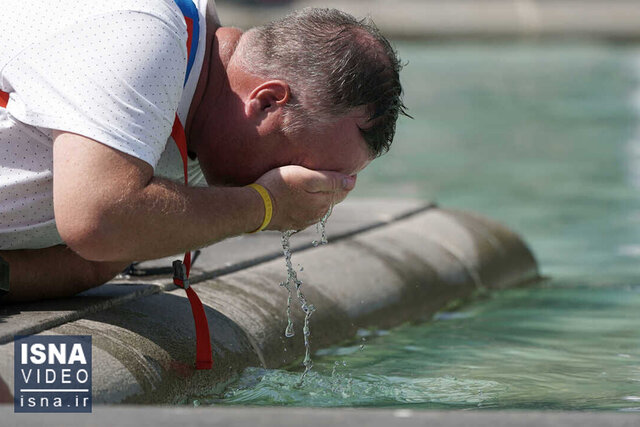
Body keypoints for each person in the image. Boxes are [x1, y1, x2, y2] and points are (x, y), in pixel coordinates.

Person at [0, 0, 406, 302]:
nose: (302, 188)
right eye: (300, 169)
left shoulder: (202, 126)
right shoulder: (142, 34)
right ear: (266, 102)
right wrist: (264, 204)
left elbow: (94, 261)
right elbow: (99, 219)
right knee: (40, 400)